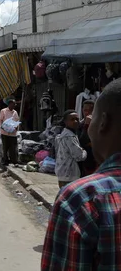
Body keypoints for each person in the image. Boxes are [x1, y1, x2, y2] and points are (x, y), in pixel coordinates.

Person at [41, 78, 121, 270]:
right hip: (69, 171)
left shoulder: (80, 199)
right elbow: (79, 154)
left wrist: (84, 153)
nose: (82, 121)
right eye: (76, 119)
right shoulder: (68, 136)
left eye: (87, 117)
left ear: (103, 123)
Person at [54, 110, 87, 189]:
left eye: (77, 119)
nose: (76, 121)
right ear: (66, 121)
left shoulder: (66, 134)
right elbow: (79, 157)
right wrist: (84, 151)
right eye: (72, 119)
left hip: (63, 172)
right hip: (69, 174)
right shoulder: (69, 137)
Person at [0, 97, 20, 166]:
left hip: (12, 133)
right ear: (9, 104)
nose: (14, 105)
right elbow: (0, 120)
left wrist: (15, 127)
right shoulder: (3, 111)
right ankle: (5, 161)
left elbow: (17, 121)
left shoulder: (15, 112)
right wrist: (2, 127)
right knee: (5, 147)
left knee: (13, 148)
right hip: (4, 132)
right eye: (13, 104)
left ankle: (14, 161)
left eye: (15, 104)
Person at [78, 99, 98, 176]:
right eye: (85, 110)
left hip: (95, 160)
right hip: (84, 161)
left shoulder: (99, 124)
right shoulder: (80, 124)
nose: (87, 113)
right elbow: (81, 141)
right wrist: (86, 125)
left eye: (90, 110)